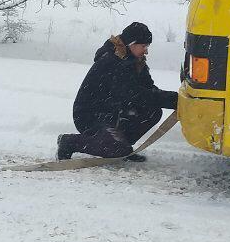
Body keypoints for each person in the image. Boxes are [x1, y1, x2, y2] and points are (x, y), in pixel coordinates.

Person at [56, 22, 178, 161]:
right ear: (131, 43)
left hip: (114, 112)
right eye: (143, 46)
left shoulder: (136, 61)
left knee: (152, 111)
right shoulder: (111, 61)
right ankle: (69, 142)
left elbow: (148, 89)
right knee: (116, 148)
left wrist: (175, 100)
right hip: (91, 115)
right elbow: (133, 94)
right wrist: (172, 100)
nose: (146, 51)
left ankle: (122, 145)